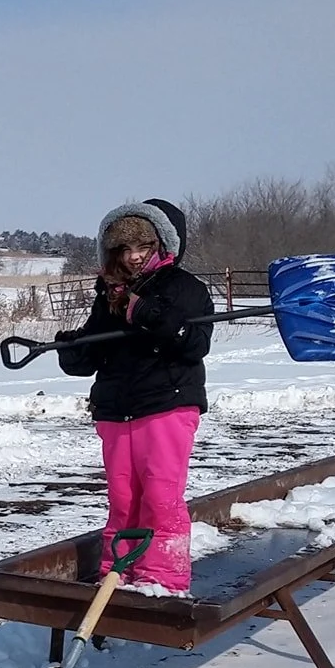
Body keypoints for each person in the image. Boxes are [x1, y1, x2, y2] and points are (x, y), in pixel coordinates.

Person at [54, 199, 214, 594]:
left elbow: (195, 344)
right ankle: (117, 574)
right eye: (123, 249)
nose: (133, 256)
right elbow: (88, 360)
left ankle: (163, 580)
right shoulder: (110, 293)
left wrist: (149, 315)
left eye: (142, 246)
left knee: (160, 497)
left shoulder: (185, 289)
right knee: (123, 500)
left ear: (163, 244)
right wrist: (72, 347)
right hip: (116, 410)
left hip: (166, 405)